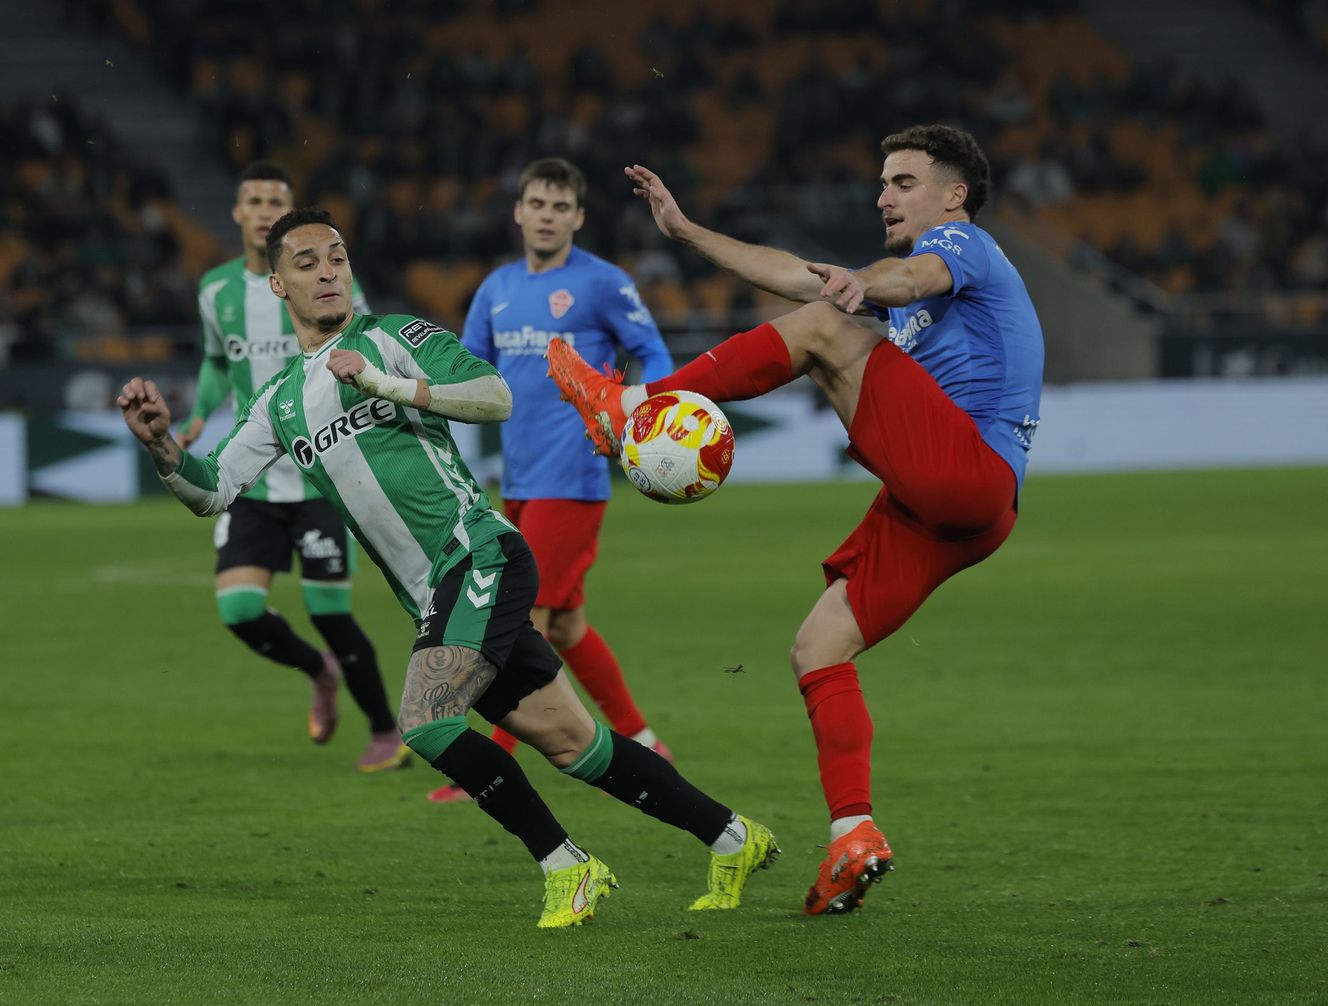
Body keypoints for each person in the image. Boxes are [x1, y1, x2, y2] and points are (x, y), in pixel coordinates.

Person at [118, 208, 779, 927]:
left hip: (478, 552)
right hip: (436, 591)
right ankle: (735, 837)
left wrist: (389, 386)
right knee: (575, 746)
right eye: (307, 263)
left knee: (427, 721)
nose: (328, 271)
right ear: (278, 283)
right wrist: (160, 447)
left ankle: (570, 868)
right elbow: (210, 491)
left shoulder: (393, 338)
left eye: (337, 256)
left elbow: (495, 395)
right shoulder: (277, 401)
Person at [547, 125, 1044, 916]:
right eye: (882, 181)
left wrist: (864, 289)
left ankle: (633, 407)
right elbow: (795, 275)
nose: (884, 194)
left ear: (953, 194)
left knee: (822, 329)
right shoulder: (911, 274)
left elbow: (912, 277)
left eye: (904, 181)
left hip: (966, 470)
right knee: (818, 648)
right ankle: (853, 834)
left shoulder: (963, 244)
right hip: (962, 510)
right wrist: (684, 231)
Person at [424, 158, 676, 803]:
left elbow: (654, 354)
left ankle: (491, 757)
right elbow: (468, 369)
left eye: (560, 207)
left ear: (578, 217)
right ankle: (643, 738)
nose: (546, 215)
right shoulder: (497, 288)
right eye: (537, 203)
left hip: (575, 472)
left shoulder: (602, 284)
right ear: (518, 211)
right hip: (521, 475)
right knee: (563, 626)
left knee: (515, 615)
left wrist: (632, 409)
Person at [176, 162, 404, 773]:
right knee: (240, 611)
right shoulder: (215, 293)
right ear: (237, 212)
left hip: (320, 474)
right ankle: (318, 672)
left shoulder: (319, 282)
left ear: (288, 207)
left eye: (274, 198)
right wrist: (198, 415)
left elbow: (365, 348)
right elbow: (216, 361)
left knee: (330, 611)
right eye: (252, 199)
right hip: (253, 475)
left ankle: (385, 732)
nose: (262, 208)